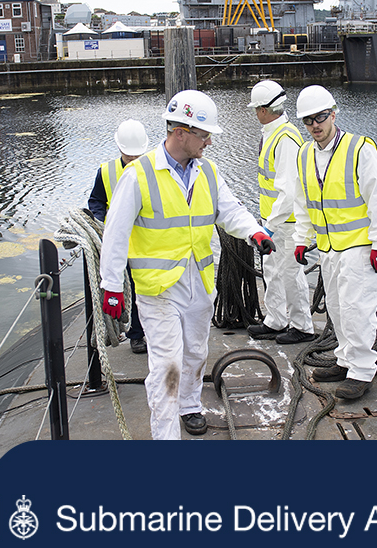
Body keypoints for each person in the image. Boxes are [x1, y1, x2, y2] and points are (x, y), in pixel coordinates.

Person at [99, 90, 275, 439]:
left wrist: (255, 232)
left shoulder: (208, 172)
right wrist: (112, 287)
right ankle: (166, 440)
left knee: (195, 352)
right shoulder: (138, 176)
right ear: (181, 132)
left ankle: (190, 405)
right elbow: (115, 234)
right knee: (166, 365)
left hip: (198, 282)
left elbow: (230, 210)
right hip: (159, 289)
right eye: (204, 134)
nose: (209, 142)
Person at [292, 85, 377, 401]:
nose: (315, 125)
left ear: (333, 114)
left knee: (357, 311)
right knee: (337, 309)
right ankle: (345, 360)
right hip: (329, 248)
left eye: (321, 117)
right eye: (308, 120)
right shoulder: (304, 154)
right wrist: (301, 239)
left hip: (360, 249)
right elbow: (303, 200)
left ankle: (362, 372)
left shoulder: (359, 149)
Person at [245, 80, 315, 344]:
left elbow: (287, 191)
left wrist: (269, 227)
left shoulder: (285, 138)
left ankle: (302, 327)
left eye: (256, 109)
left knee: (290, 274)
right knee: (272, 272)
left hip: (286, 223)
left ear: (264, 109)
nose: (255, 113)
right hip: (273, 220)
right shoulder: (272, 132)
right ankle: (275, 321)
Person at [87, 120, 150, 354]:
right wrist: (103, 223)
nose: (133, 159)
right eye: (129, 155)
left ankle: (141, 332)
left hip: (145, 242)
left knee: (143, 288)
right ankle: (135, 334)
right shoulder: (106, 171)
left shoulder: (152, 170)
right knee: (126, 288)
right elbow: (96, 201)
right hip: (119, 242)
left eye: (136, 155)